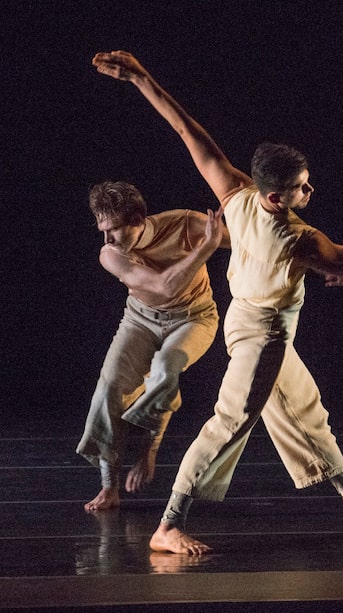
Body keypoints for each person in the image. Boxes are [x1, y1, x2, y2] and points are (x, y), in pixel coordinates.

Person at [91, 50, 343, 555]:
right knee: (230, 421)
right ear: (277, 196)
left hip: (243, 322)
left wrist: (142, 78)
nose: (310, 191)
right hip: (263, 337)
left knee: (304, 412)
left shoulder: (235, 193)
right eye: (302, 187)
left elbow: (184, 129)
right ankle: (169, 524)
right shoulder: (299, 238)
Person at [77, 180, 228, 512]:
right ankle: (109, 487)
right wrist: (206, 248)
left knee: (165, 368)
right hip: (140, 320)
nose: (106, 239)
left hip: (195, 318)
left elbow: (252, 241)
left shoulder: (185, 224)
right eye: (102, 229)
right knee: (109, 390)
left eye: (113, 229)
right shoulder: (110, 254)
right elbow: (162, 288)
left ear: (136, 220)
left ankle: (149, 448)